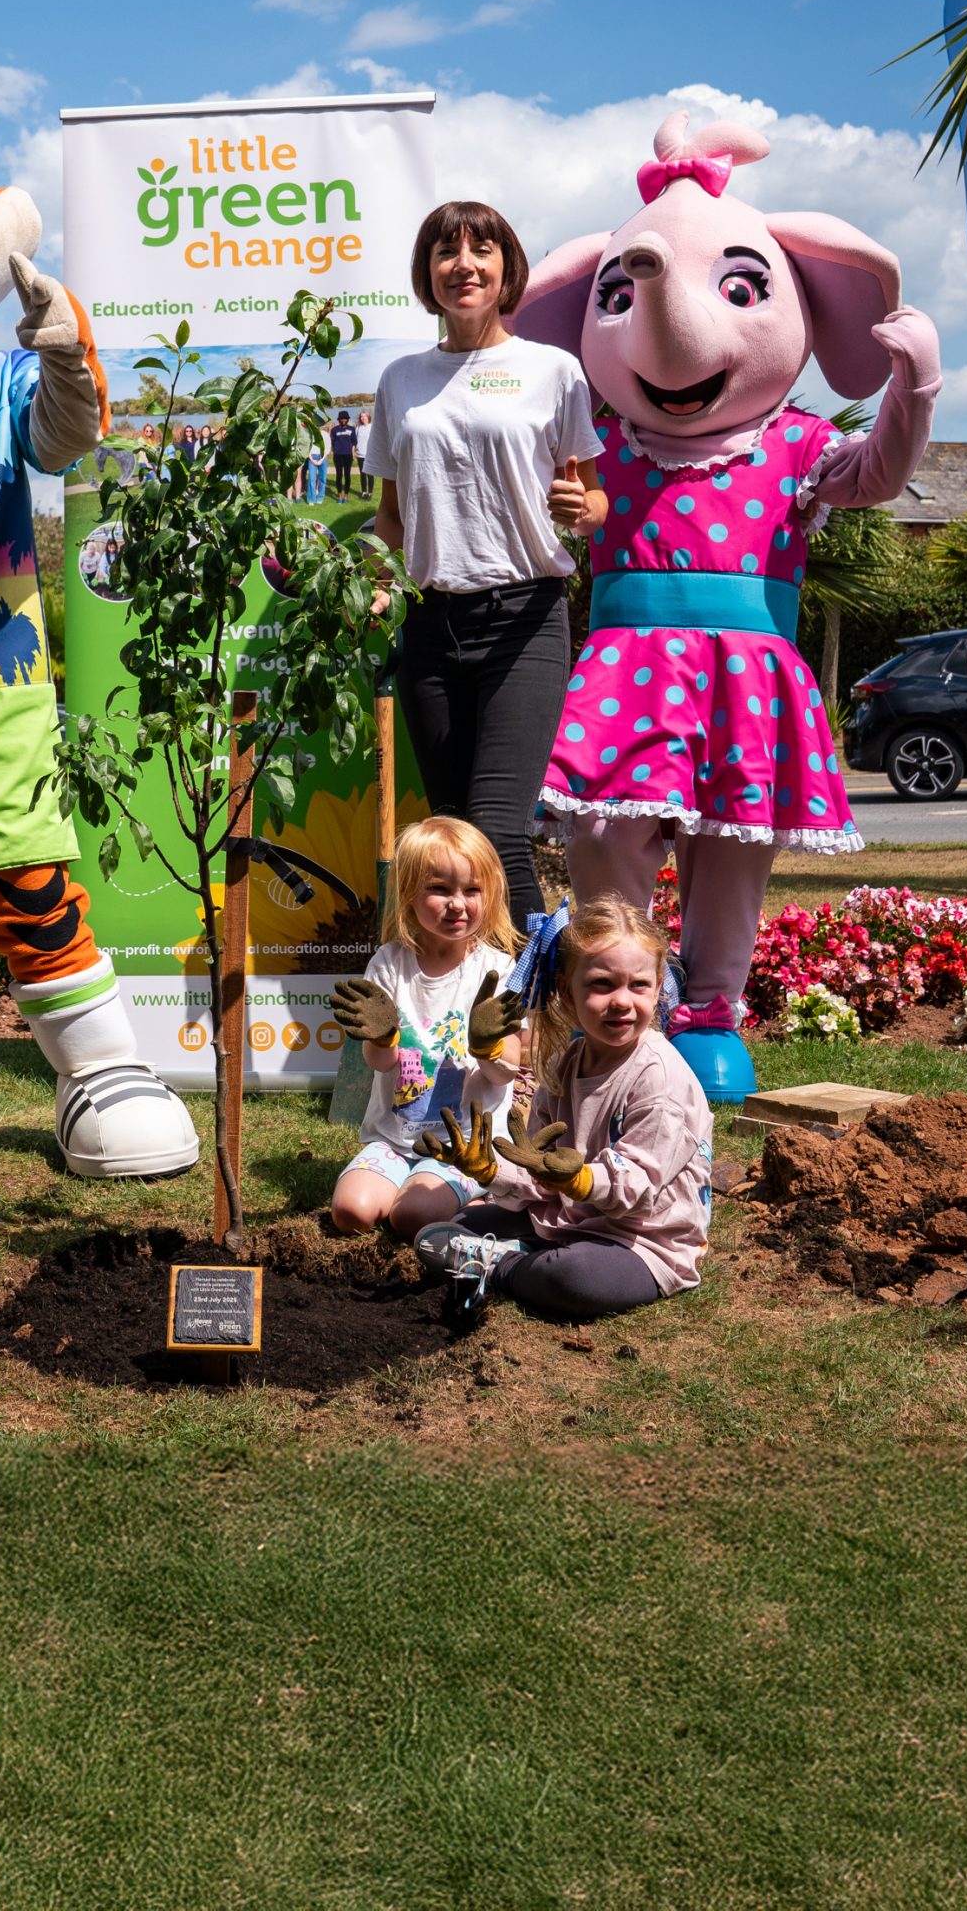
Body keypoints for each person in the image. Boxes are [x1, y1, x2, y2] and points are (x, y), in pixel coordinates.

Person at [368, 201, 605, 927]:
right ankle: (477, 1018)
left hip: (525, 620)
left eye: (482, 250)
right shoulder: (400, 380)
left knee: (496, 835)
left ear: (507, 270)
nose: (463, 265)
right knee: (451, 845)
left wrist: (578, 509)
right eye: (446, 252)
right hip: (431, 628)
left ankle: (552, 998)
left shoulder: (553, 371)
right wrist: (379, 581)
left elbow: (594, 503)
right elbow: (390, 515)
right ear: (427, 274)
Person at [413, 896, 714, 1323]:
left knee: (574, 1277)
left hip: (644, 1241)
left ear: (659, 986)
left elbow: (639, 1189)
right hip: (573, 1219)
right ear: (567, 994)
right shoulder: (564, 1064)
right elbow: (538, 1168)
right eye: (602, 984)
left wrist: (580, 1178)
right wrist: (491, 1173)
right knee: (450, 1225)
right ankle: (518, 1252)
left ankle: (502, 1266)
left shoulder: (660, 1079)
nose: (622, 1001)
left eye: (639, 985)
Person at [324, 817, 523, 1238]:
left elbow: (505, 1072)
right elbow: (379, 1063)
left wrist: (489, 1045)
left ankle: (478, 1191)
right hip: (393, 1139)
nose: (458, 904)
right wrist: (383, 1036)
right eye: (440, 889)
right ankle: (413, 1184)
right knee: (351, 1212)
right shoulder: (388, 964)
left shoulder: (498, 971)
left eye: (472, 890)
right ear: (408, 893)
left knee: (411, 1215)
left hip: (465, 1145)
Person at [328, 407, 360, 499]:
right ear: (339, 419)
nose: (343, 420)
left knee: (347, 475)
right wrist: (332, 452)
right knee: (339, 475)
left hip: (348, 455)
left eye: (345, 418)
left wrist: (353, 453)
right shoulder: (334, 430)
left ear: (347, 419)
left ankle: (346, 494)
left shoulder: (352, 429)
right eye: (341, 418)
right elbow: (332, 442)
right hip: (337, 455)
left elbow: (354, 442)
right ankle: (339, 494)